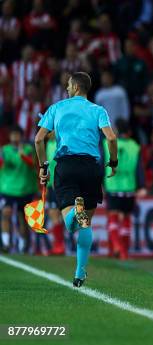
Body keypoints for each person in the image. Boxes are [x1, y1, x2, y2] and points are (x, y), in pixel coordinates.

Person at [34, 72, 118, 288]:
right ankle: (80, 273)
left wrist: (44, 166)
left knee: (71, 223)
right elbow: (111, 137)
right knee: (85, 224)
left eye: (69, 85)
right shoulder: (98, 110)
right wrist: (114, 162)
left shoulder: (57, 107)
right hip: (92, 167)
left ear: (76, 87)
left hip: (67, 166)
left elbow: (39, 139)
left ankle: (74, 211)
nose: (67, 88)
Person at [103, 119, 146, 260]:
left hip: (113, 186)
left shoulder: (107, 143)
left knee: (113, 217)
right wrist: (142, 186)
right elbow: (139, 168)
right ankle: (124, 252)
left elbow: (100, 165)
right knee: (126, 218)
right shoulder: (135, 146)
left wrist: (99, 183)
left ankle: (116, 246)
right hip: (129, 188)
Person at [0, 126, 38, 253]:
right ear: (10, 137)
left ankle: (23, 245)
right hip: (8, 189)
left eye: (17, 135)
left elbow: (33, 164)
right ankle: (5, 243)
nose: (15, 138)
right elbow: (2, 162)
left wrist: (22, 155)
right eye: (13, 135)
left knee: (23, 218)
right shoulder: (5, 150)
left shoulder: (28, 150)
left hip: (25, 189)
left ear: (21, 137)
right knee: (6, 213)